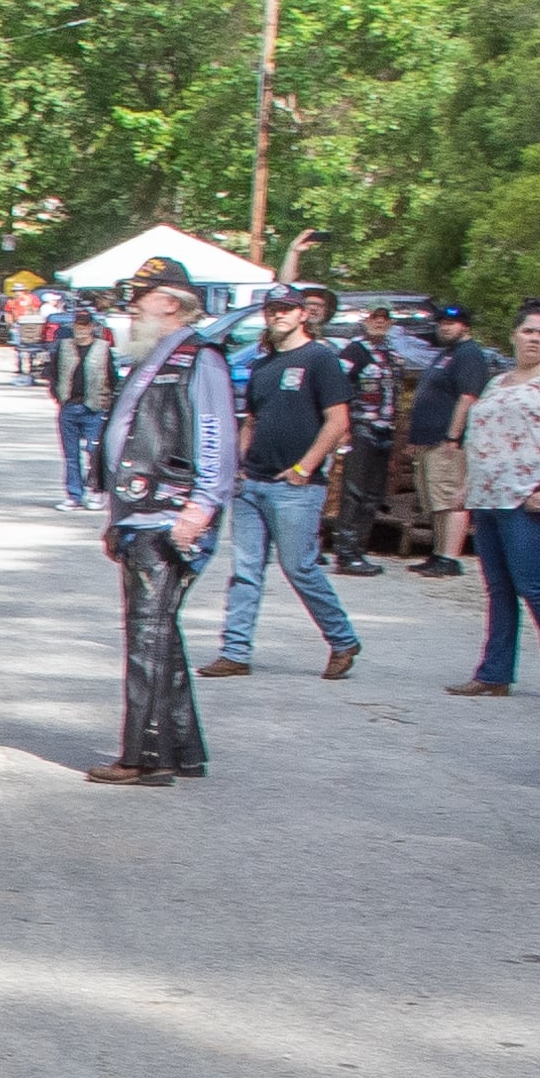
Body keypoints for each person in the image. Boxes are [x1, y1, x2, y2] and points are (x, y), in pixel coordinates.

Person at [90, 255, 233, 785]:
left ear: (169, 303)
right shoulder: (156, 356)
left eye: (141, 297)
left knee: (147, 634)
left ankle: (142, 755)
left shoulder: (201, 359)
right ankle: (181, 749)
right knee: (159, 632)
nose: (131, 307)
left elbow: (216, 437)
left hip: (170, 515)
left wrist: (201, 507)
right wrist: (117, 516)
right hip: (141, 514)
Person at [202, 285, 360, 681]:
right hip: (253, 482)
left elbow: (338, 422)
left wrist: (304, 468)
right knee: (245, 570)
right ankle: (234, 651)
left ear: (303, 314)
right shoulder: (263, 365)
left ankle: (341, 639)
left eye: (287, 309)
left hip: (296, 487)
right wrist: (236, 465)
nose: (279, 316)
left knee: (299, 567)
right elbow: (252, 421)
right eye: (273, 310)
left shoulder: (320, 359)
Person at [444, 301, 540, 700]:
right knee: (498, 589)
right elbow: (480, 436)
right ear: (514, 335)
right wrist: (466, 484)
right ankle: (494, 672)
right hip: (490, 496)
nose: (535, 339)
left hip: (530, 497)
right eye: (528, 331)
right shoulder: (497, 382)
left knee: (534, 586)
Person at [404, 299, 495, 575]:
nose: (445, 328)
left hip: (449, 442)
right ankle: (438, 552)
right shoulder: (447, 353)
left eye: (451, 323)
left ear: (465, 326)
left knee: (451, 499)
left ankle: (450, 558)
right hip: (430, 440)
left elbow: (467, 398)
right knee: (436, 500)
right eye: (442, 323)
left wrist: (453, 437)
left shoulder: (469, 354)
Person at [327, 304, 398, 573]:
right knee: (354, 491)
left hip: (385, 429)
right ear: (365, 321)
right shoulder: (353, 351)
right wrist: (342, 425)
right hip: (360, 427)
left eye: (384, 319)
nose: (379, 322)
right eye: (374, 318)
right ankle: (345, 552)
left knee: (372, 494)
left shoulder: (391, 355)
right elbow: (338, 386)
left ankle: (359, 549)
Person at [45, 300, 118, 513]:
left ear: (93, 327)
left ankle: (96, 491)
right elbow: (53, 374)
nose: (82, 329)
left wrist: (109, 402)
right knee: (70, 455)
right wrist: (58, 396)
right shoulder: (64, 347)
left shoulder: (103, 349)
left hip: (94, 409)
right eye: (79, 325)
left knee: (94, 452)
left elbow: (112, 378)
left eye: (86, 325)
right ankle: (74, 495)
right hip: (69, 408)